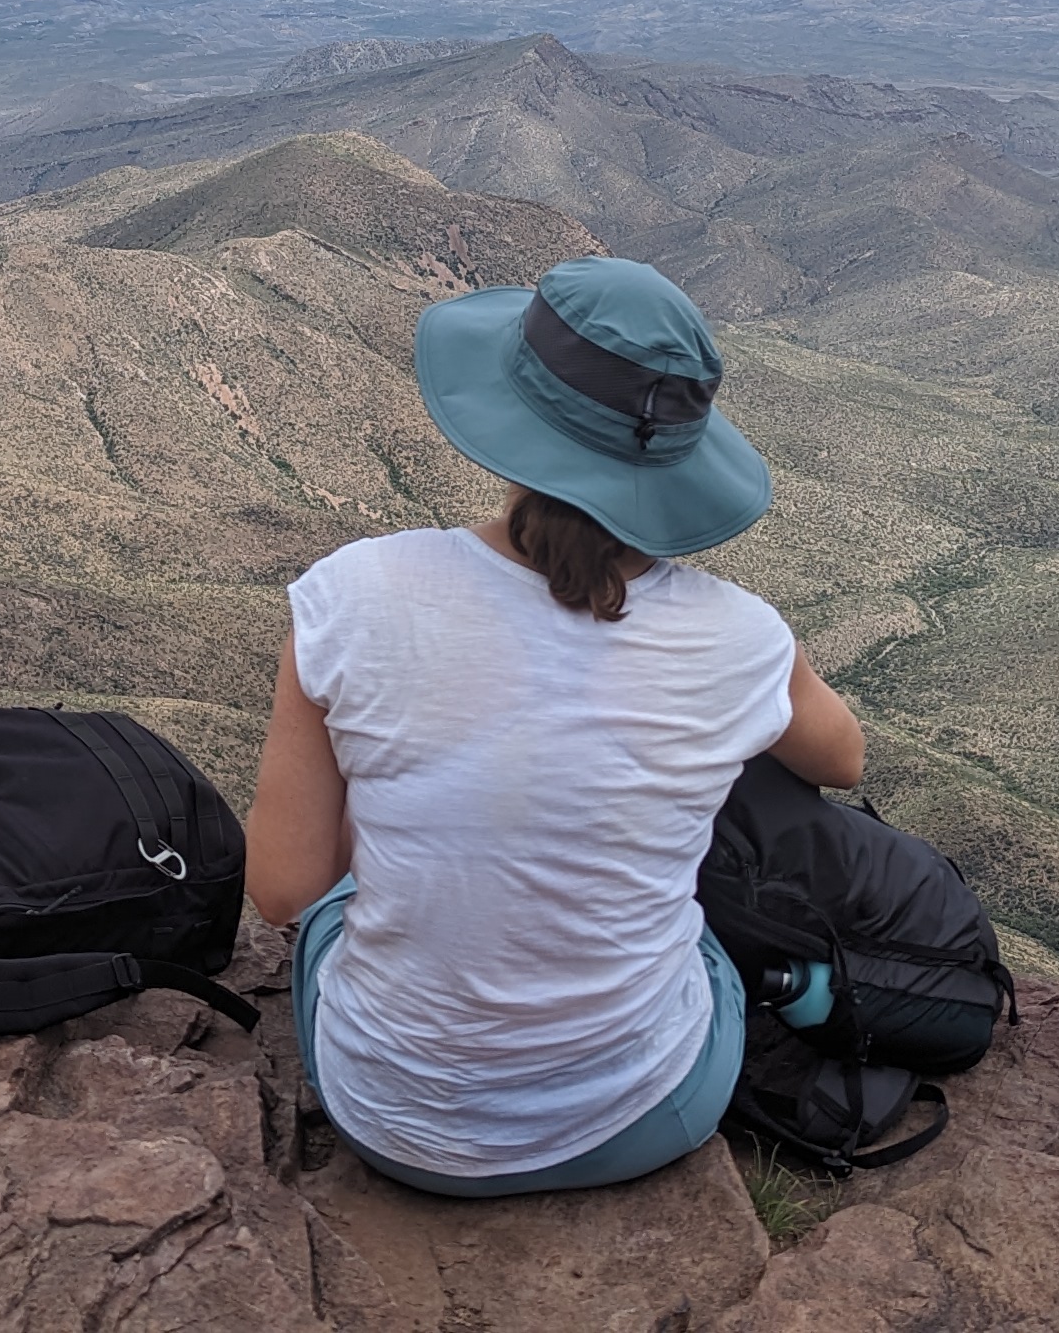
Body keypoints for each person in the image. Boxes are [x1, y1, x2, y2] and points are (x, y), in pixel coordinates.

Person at [246, 254, 866, 1196]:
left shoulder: (350, 596)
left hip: (386, 1116)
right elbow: (844, 761)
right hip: (641, 1117)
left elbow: (287, 893)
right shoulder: (744, 639)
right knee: (740, 815)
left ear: (509, 420)